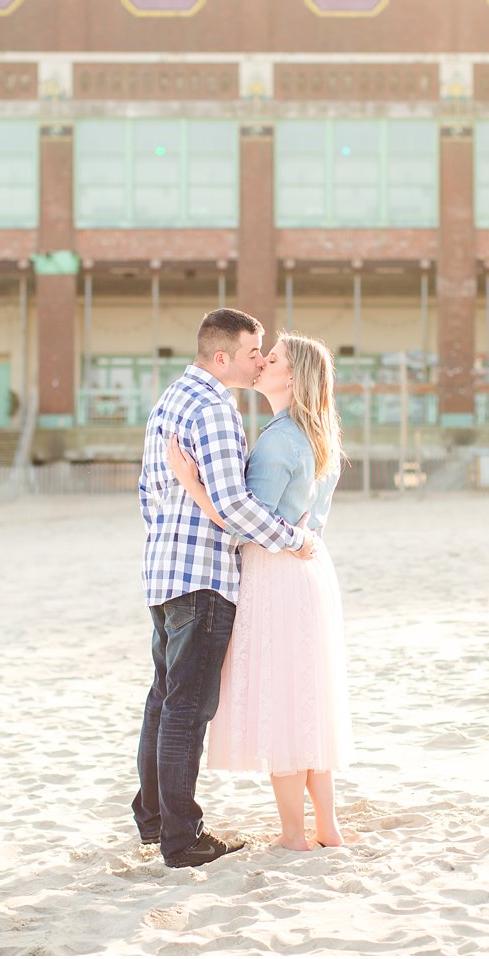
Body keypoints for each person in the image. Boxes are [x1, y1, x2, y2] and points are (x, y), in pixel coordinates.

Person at [134, 308, 318, 870]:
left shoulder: (169, 400)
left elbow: (146, 492)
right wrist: (290, 539)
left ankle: (154, 820)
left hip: (163, 572)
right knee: (188, 707)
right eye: (251, 352)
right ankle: (182, 838)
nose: (260, 360)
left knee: (164, 701)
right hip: (204, 574)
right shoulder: (215, 408)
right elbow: (237, 506)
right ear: (222, 358)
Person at [165, 332, 354, 851]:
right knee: (309, 698)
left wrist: (192, 484)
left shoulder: (276, 441)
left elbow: (245, 524)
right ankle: (326, 828)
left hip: (275, 573)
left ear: (290, 377)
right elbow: (313, 521)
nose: (260, 363)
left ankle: (294, 834)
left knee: (284, 699)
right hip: (312, 571)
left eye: (270, 359)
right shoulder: (321, 439)